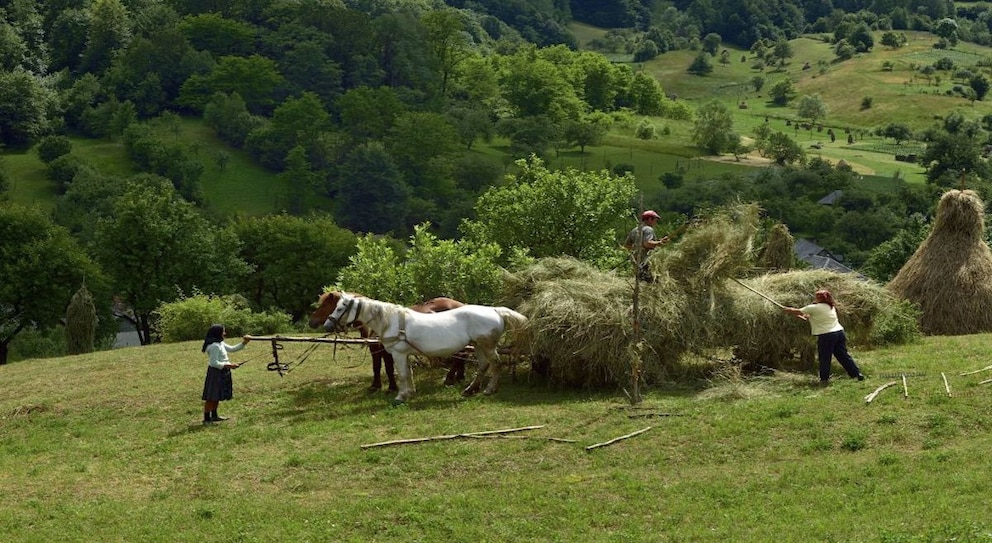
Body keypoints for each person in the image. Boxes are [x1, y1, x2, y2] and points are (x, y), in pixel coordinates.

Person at [782, 289, 865, 385]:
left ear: (819, 298)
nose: (815, 298)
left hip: (827, 336)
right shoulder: (830, 307)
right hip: (839, 333)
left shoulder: (813, 307)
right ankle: (856, 374)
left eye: (816, 297)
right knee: (843, 355)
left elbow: (797, 311)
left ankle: (824, 379)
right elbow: (817, 316)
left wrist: (787, 309)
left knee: (825, 357)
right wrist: (806, 317)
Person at [201, 324, 250, 424]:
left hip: (222, 371)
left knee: (216, 395)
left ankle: (214, 416)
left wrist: (245, 342)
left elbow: (232, 349)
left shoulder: (220, 343)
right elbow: (214, 363)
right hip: (215, 373)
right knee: (211, 396)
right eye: (223, 331)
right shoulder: (214, 346)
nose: (225, 333)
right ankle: (207, 419)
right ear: (217, 333)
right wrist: (229, 365)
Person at [624, 210, 669, 282]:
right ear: (649, 219)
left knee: (640, 281)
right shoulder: (648, 229)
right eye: (655, 220)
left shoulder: (635, 230)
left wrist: (637, 248)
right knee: (652, 281)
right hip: (646, 261)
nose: (655, 223)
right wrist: (659, 242)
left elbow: (626, 245)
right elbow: (647, 243)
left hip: (636, 261)